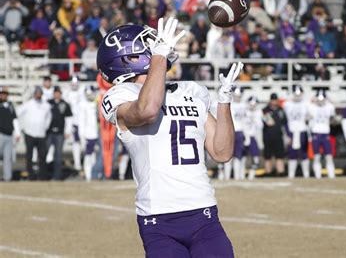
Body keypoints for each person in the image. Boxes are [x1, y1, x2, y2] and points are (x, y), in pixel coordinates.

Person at [97, 17, 237, 257]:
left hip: (204, 213)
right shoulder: (121, 95)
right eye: (148, 45)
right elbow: (148, 110)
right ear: (128, 59)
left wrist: (224, 102)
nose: (156, 47)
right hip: (158, 221)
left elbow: (221, 152)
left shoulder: (191, 91)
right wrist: (159, 55)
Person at [17, 87, 52, 180]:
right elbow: (17, 113)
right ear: (34, 94)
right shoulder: (28, 104)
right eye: (36, 93)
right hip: (29, 133)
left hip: (41, 134)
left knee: (42, 155)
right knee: (29, 155)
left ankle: (42, 175)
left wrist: (45, 127)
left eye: (40, 93)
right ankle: (31, 175)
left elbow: (49, 118)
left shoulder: (46, 105)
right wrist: (23, 127)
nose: (38, 95)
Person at [307, 90, 336, 179]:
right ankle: (318, 175)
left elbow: (332, 104)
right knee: (316, 156)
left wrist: (327, 97)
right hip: (316, 133)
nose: (320, 101)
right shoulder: (312, 107)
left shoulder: (328, 107)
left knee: (329, 156)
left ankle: (331, 175)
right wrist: (314, 98)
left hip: (325, 133)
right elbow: (308, 103)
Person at [283, 86, 310, 178]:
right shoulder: (287, 104)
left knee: (304, 153)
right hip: (291, 131)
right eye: (296, 94)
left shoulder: (306, 104)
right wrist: (287, 134)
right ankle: (291, 174)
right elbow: (285, 120)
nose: (297, 97)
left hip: (302, 130)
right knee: (292, 153)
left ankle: (306, 174)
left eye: (299, 95)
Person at [47, 86, 73, 180]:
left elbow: (69, 118)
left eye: (58, 93)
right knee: (45, 153)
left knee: (58, 155)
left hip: (60, 133)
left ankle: (57, 176)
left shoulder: (65, 104)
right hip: (49, 132)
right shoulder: (48, 103)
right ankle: (45, 174)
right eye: (55, 92)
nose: (57, 94)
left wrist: (67, 131)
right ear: (53, 94)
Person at [262, 93, 288, 176]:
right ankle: (268, 172)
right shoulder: (265, 110)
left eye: (275, 100)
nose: (274, 102)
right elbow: (268, 122)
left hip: (278, 136)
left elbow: (285, 123)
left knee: (279, 156)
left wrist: (288, 136)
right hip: (268, 136)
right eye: (273, 100)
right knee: (267, 156)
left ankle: (280, 172)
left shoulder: (281, 110)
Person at [78, 86, 99, 181]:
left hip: (98, 133)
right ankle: (88, 174)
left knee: (95, 154)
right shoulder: (83, 105)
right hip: (88, 134)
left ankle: (95, 173)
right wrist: (82, 135)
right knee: (88, 154)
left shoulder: (97, 103)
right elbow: (81, 121)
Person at [63, 76, 84, 171]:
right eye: (73, 84)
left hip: (82, 121)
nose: (74, 85)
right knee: (74, 143)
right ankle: (77, 163)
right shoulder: (66, 93)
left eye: (76, 84)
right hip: (70, 121)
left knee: (83, 143)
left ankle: (81, 163)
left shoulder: (83, 92)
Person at [0, 87, 21, 181]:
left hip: (9, 134)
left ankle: (7, 177)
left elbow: (14, 119)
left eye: (5, 94)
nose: (3, 95)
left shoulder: (10, 105)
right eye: (2, 94)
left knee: (8, 157)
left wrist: (17, 132)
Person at [243, 96, 264, 180]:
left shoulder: (258, 112)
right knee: (241, 157)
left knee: (256, 156)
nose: (252, 106)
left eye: (254, 105)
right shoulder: (244, 111)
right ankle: (240, 174)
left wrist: (255, 118)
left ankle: (252, 173)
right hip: (244, 135)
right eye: (251, 104)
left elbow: (260, 126)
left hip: (253, 136)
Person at [229, 88, 247, 180]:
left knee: (238, 155)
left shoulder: (244, 105)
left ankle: (237, 176)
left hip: (240, 131)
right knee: (228, 155)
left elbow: (245, 120)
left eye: (239, 96)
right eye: (236, 96)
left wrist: (246, 134)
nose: (237, 98)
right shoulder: (229, 104)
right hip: (230, 131)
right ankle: (226, 177)